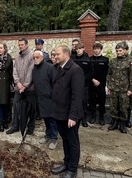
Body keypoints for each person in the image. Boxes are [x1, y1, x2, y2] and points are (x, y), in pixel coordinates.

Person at [51, 45, 84, 178]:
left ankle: (72, 169)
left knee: (72, 142)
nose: (55, 56)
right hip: (60, 113)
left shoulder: (76, 70)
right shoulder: (59, 68)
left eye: (57, 54)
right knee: (65, 139)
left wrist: (73, 116)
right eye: (54, 54)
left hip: (70, 115)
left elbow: (77, 96)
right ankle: (66, 163)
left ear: (66, 54)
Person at [6, 38, 36, 135]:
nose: (20, 46)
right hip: (18, 88)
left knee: (31, 108)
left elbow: (31, 72)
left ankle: (31, 127)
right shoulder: (17, 57)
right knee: (15, 105)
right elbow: (14, 71)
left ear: (27, 45)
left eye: (22, 44)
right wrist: (18, 83)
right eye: (19, 45)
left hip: (29, 88)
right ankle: (15, 126)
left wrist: (25, 85)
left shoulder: (32, 56)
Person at [107, 42, 132, 133]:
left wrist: (130, 89)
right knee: (113, 107)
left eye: (120, 50)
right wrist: (109, 86)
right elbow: (109, 74)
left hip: (124, 89)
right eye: (117, 51)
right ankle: (114, 123)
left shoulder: (130, 61)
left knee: (123, 107)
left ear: (125, 50)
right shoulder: (113, 61)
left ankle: (122, 125)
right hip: (114, 88)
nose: (118, 52)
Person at [32, 50, 58, 150]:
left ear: (42, 57)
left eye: (37, 57)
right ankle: (47, 135)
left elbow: (55, 83)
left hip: (50, 99)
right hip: (40, 98)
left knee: (52, 119)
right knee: (45, 118)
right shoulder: (34, 69)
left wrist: (51, 95)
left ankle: (54, 138)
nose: (35, 59)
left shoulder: (50, 67)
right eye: (34, 58)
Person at [71, 42, 93, 127]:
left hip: (84, 85)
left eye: (80, 49)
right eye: (77, 49)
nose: (78, 51)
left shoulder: (87, 59)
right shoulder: (72, 59)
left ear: (83, 49)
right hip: (73, 84)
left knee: (84, 102)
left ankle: (84, 119)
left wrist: (83, 79)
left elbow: (91, 73)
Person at [89, 42, 109, 125]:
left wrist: (99, 81)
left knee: (102, 101)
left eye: (98, 49)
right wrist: (93, 80)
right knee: (92, 101)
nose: (96, 50)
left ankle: (101, 117)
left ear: (100, 50)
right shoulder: (90, 59)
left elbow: (106, 72)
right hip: (92, 83)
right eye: (95, 49)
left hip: (101, 84)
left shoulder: (105, 59)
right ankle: (93, 116)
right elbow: (88, 71)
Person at [121, 41, 132, 128]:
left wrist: (130, 89)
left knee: (128, 105)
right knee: (118, 106)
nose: (121, 51)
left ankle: (127, 121)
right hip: (118, 87)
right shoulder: (117, 59)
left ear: (127, 50)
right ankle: (117, 121)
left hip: (128, 87)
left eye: (123, 49)